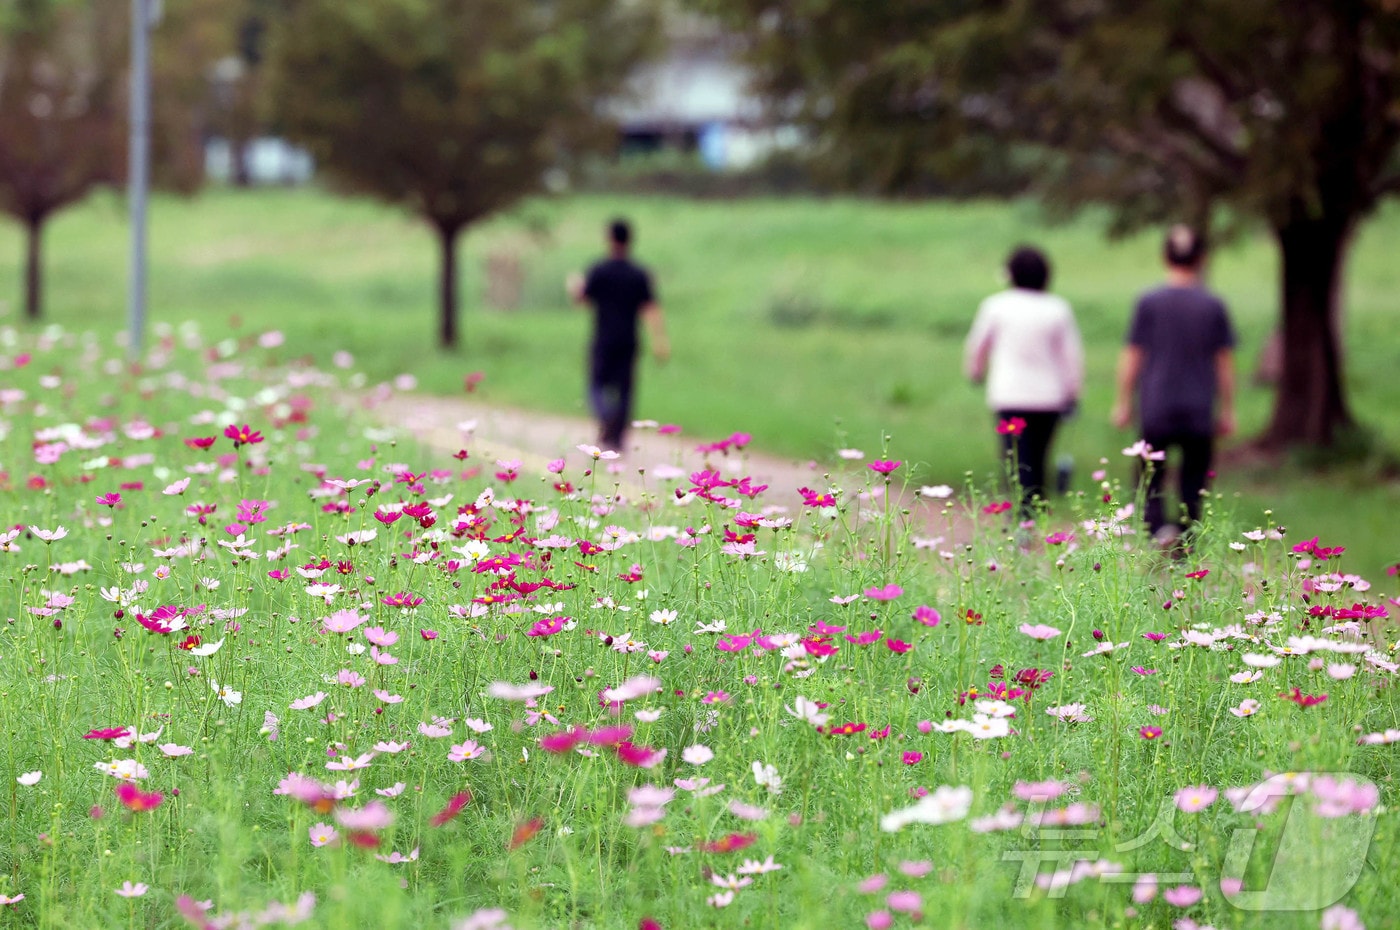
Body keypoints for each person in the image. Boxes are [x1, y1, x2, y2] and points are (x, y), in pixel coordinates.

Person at [1111, 225, 1237, 544]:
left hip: (1156, 404)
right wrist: (1228, 409)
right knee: (1194, 479)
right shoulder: (1212, 305)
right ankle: (1186, 539)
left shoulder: (1149, 302)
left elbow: (1133, 355)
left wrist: (1123, 401)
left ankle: (1156, 532)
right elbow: (1223, 362)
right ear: (1202, 259)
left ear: (1164, 257)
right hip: (1198, 406)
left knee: (1149, 475)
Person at [964, 246, 1083, 519]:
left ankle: (1020, 516)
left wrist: (975, 372)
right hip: (1049, 397)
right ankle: (1035, 514)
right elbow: (1071, 357)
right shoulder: (1057, 309)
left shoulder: (996, 306)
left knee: (1015, 457)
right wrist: (1073, 391)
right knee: (1039, 457)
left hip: (1009, 394)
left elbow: (977, 346)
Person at [568, 219, 670, 451]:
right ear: (629, 240)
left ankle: (606, 417)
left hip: (604, 338)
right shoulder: (639, 273)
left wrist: (574, 286)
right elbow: (650, 308)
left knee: (596, 385)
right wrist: (660, 339)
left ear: (610, 239)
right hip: (629, 339)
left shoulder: (599, 270)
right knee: (625, 390)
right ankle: (617, 438)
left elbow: (582, 299)